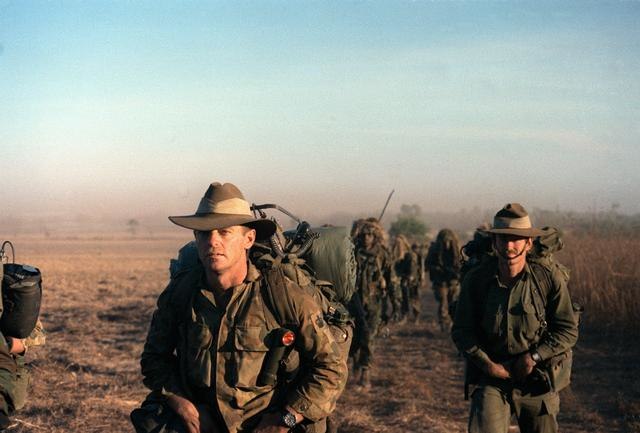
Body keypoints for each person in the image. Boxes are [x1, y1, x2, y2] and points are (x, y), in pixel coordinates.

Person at [131, 182, 347, 433]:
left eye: (224, 232)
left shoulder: (282, 294)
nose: (212, 241)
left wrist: (284, 420)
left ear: (249, 238)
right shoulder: (181, 292)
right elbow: (154, 360)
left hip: (266, 421)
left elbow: (331, 367)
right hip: (203, 422)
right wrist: (182, 403)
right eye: (204, 233)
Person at [451, 203, 579, 433]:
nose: (509, 246)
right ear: (494, 243)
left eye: (516, 239)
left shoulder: (547, 279)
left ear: (528, 243)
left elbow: (567, 329)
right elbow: (462, 330)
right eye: (503, 239)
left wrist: (533, 357)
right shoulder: (477, 280)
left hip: (536, 376)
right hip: (492, 375)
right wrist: (487, 365)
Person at [348, 219, 395, 388]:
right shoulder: (353, 252)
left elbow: (391, 280)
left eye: (370, 235)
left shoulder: (382, 255)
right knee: (353, 338)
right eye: (364, 234)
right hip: (354, 303)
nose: (367, 238)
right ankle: (355, 362)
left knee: (368, 339)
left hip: (374, 304)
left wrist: (395, 304)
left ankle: (365, 372)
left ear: (375, 236)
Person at [426, 228, 461, 331]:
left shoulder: (456, 251)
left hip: (453, 281)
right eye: (444, 241)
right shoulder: (434, 250)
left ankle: (452, 323)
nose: (446, 244)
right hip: (440, 281)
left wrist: (456, 273)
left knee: (453, 303)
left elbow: (461, 266)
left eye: (448, 241)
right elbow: (428, 264)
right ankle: (443, 323)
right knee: (443, 302)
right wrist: (437, 269)